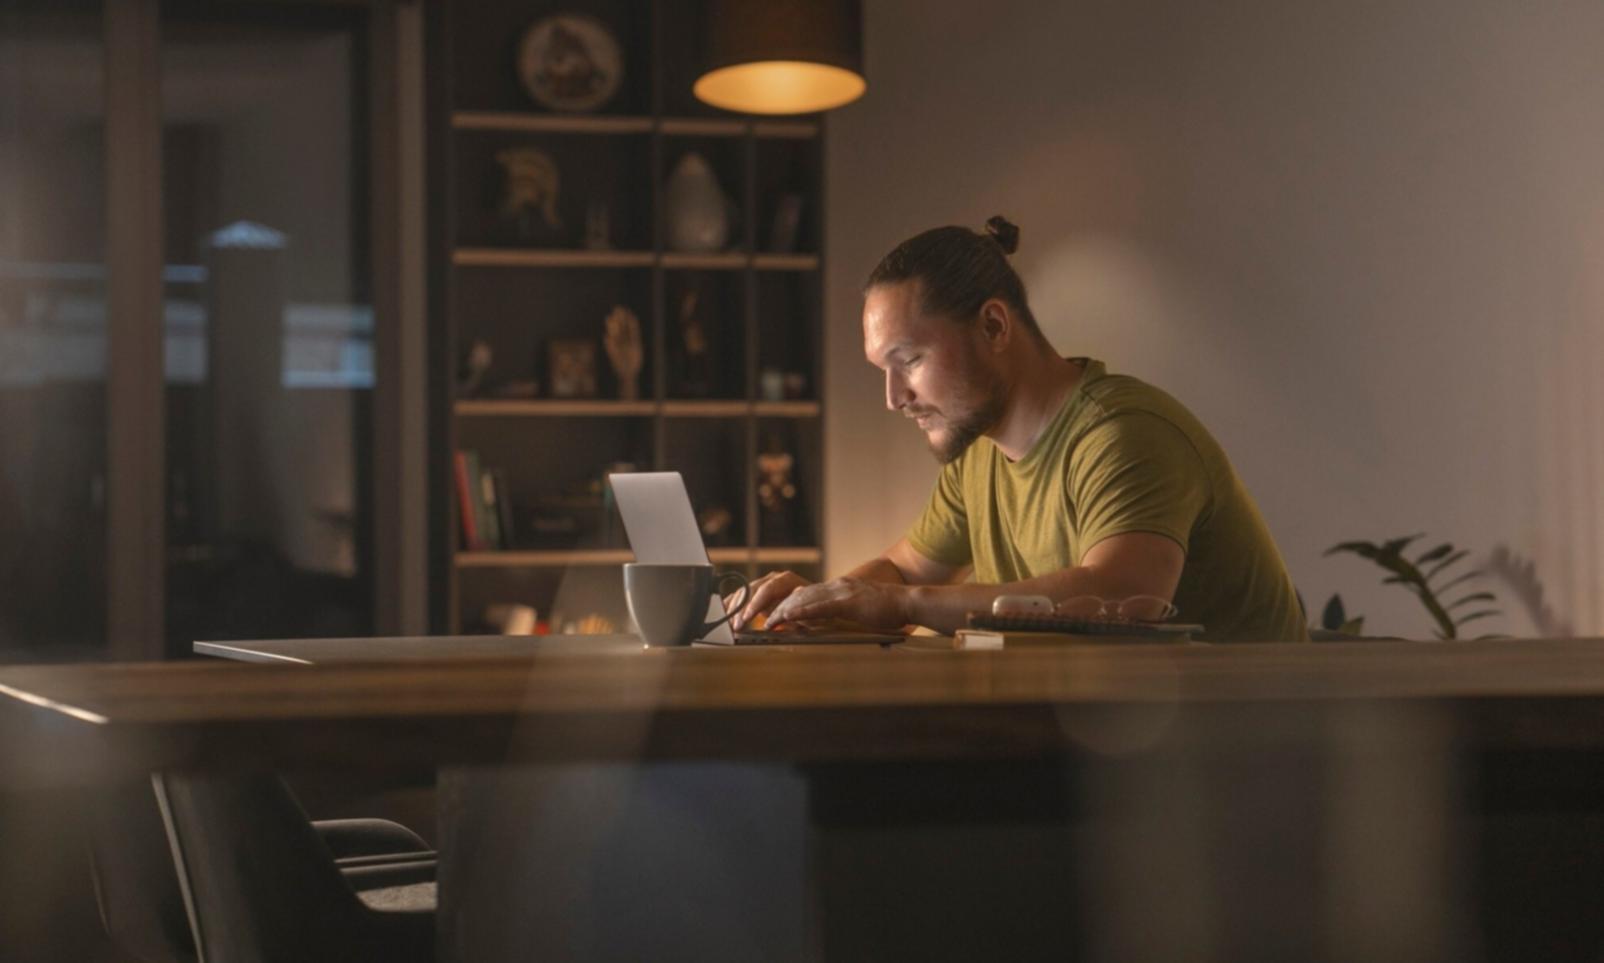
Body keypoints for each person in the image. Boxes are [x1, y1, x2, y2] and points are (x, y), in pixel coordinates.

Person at [733, 215, 1308, 643]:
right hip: (1121, 745)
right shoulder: (978, 457)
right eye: (883, 370)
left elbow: (1122, 598)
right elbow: (904, 570)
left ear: (992, 325)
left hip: (1247, 751)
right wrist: (807, 606)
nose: (894, 397)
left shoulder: (1123, 435)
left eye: (908, 362)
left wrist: (898, 602)